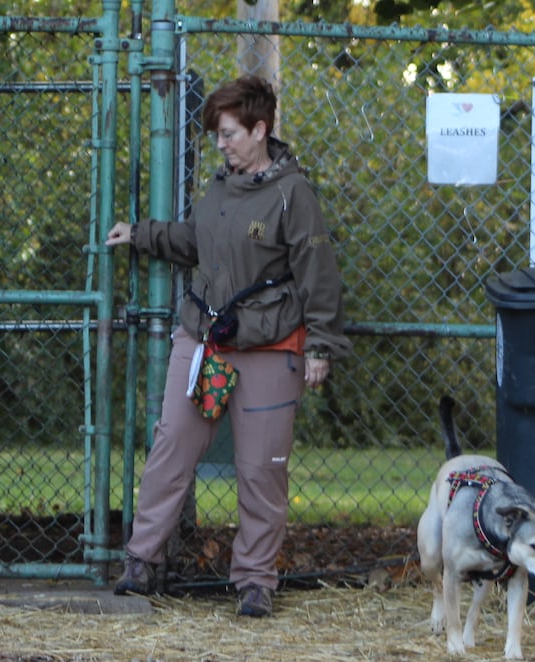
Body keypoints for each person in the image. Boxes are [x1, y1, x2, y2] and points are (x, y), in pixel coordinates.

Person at [105, 75, 351, 618]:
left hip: (269, 347)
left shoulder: (294, 195)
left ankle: (255, 582)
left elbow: (319, 273)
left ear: (260, 130)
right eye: (217, 133)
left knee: (261, 468)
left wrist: (321, 347)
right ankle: (142, 563)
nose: (221, 142)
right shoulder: (219, 188)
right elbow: (195, 241)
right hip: (204, 340)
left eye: (230, 132)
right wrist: (141, 234)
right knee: (171, 450)